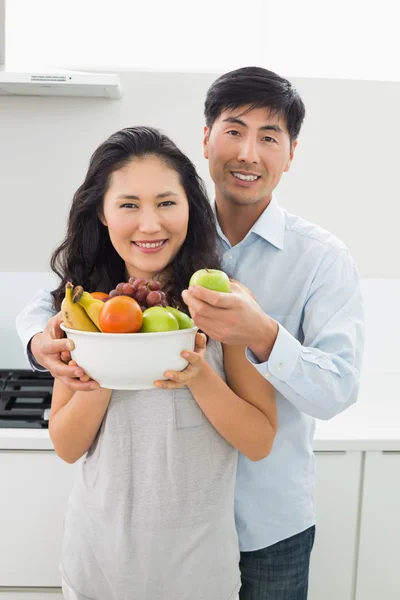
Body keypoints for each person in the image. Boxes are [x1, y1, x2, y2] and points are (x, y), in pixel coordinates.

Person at [16, 67, 365, 600]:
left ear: (291, 152)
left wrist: (249, 341)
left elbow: (302, 410)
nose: (150, 225)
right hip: (103, 561)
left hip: (244, 536)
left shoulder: (262, 283)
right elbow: (54, 340)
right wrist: (74, 350)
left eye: (269, 137)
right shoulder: (97, 303)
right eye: (234, 130)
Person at [41, 126, 278, 600]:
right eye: (128, 205)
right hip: (97, 568)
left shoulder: (226, 303)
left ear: (191, 208)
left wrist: (200, 375)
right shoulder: (81, 310)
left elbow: (259, 440)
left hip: (198, 573)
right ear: (103, 215)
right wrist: (110, 358)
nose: (150, 225)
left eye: (167, 202)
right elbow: (67, 446)